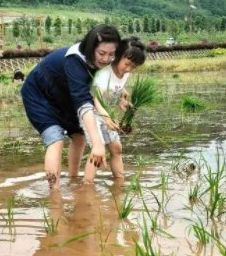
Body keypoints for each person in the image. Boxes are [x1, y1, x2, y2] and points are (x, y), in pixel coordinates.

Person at [21, 24, 121, 188]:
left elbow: (96, 90)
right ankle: (54, 193)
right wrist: (97, 144)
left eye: (111, 54)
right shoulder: (75, 59)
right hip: (39, 94)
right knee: (56, 140)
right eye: (101, 53)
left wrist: (120, 96)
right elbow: (83, 103)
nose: (105, 59)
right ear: (91, 48)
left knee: (79, 137)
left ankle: (73, 180)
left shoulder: (101, 63)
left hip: (64, 95)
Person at [82, 37, 146, 184]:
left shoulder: (125, 73)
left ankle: (120, 183)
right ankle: (87, 186)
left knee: (116, 148)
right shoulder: (104, 73)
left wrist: (122, 101)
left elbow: (111, 93)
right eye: (127, 64)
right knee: (98, 151)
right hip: (90, 112)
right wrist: (105, 117)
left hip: (105, 112)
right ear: (118, 56)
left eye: (134, 67)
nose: (129, 69)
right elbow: (93, 97)